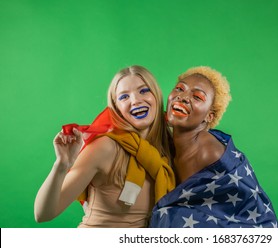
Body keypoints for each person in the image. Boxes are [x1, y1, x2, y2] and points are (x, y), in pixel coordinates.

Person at [34, 65, 175, 228]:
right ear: (117, 108)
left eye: (144, 91)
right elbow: (43, 214)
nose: (135, 100)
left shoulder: (169, 148)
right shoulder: (106, 146)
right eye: (124, 97)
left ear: (156, 95)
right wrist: (61, 165)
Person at [150, 66, 278, 228]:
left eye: (197, 97)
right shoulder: (173, 142)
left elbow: (181, 205)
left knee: (172, 216)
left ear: (209, 116)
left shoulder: (204, 150)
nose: (182, 97)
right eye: (179, 89)